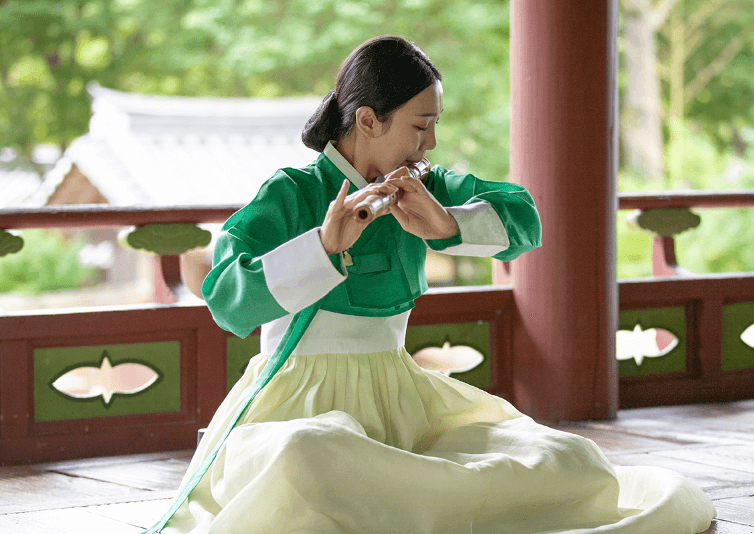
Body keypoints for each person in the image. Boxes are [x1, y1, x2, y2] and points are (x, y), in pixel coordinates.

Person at [149, 36, 715, 534]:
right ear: (367, 120)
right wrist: (321, 246)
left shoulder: (423, 188)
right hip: (298, 400)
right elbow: (226, 297)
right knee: (308, 455)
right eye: (421, 126)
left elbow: (524, 217)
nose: (432, 143)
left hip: (401, 399)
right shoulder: (293, 193)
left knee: (568, 459)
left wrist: (446, 223)